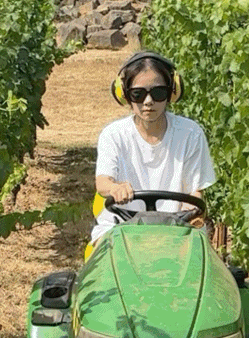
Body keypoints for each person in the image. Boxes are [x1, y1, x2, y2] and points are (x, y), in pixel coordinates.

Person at [92, 51, 216, 245]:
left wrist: (187, 219)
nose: (148, 102)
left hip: (177, 227)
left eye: (158, 93)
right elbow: (103, 182)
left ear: (171, 93)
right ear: (124, 94)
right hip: (119, 226)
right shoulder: (113, 134)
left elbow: (194, 193)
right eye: (138, 94)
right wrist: (115, 188)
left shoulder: (191, 133)